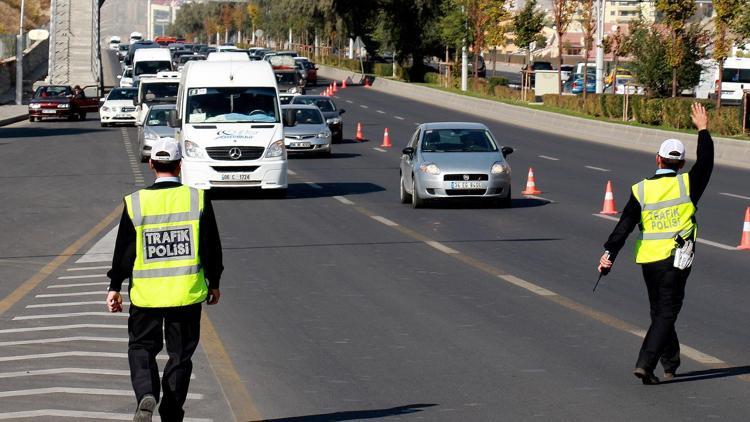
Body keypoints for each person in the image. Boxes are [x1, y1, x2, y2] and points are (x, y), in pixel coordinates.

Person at [106, 139, 223, 421]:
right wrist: (214, 281)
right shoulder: (198, 198)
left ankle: (147, 393)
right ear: (180, 164)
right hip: (185, 293)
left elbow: (124, 250)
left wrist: (114, 287)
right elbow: (211, 246)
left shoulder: (136, 202)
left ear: (151, 164)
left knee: (142, 347)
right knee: (180, 355)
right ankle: (171, 410)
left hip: (147, 295)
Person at [598, 103, 712, 385]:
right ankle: (645, 364)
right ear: (681, 164)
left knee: (660, 311)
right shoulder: (687, 184)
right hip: (676, 261)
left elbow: (623, 226)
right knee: (666, 312)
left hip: (649, 261)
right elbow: (707, 162)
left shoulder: (642, 189)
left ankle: (670, 363)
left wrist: (608, 255)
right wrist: (703, 130)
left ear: (657, 159)